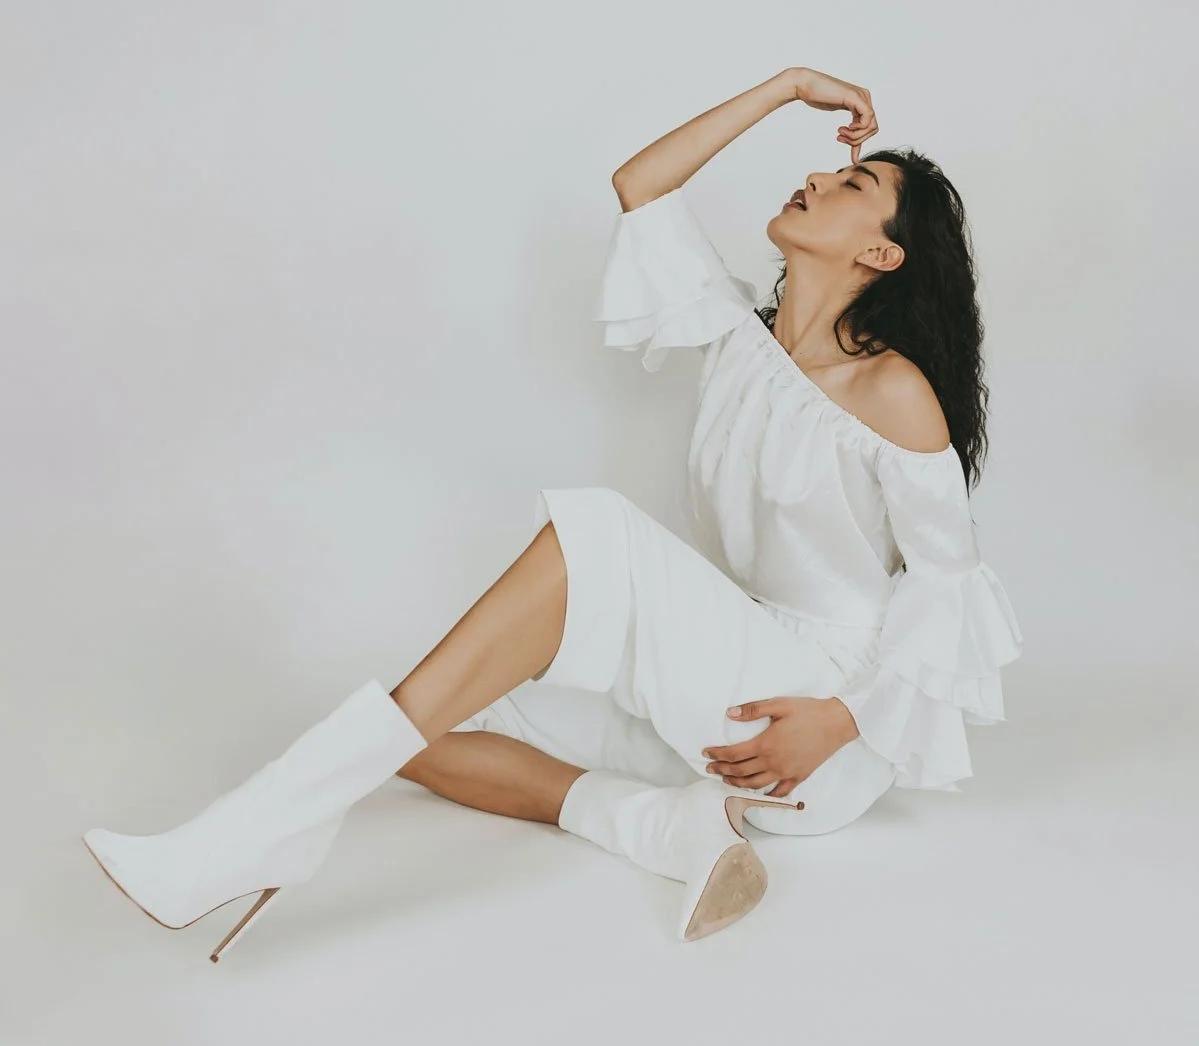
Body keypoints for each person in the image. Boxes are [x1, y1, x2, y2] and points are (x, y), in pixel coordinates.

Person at [83, 66, 1023, 961]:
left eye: (852, 183)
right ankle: (661, 823)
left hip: (816, 729)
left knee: (594, 538)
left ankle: (249, 837)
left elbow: (949, 590)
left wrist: (841, 722)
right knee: (430, 723)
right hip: (733, 689)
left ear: (880, 254)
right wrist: (786, 86)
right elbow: (640, 184)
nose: (816, 177)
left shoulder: (890, 390)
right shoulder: (740, 340)